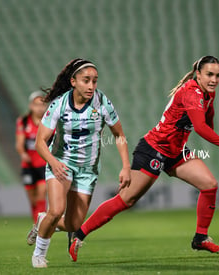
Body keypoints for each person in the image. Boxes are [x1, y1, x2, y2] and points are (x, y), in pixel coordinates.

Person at [68, 56, 219, 261]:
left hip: (176, 150)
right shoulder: (192, 92)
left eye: (218, 76)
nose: (214, 79)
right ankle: (79, 235)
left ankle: (200, 238)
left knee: (209, 185)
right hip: (154, 149)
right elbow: (200, 127)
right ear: (198, 74)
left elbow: (207, 120)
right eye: (209, 74)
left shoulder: (206, 93)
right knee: (127, 200)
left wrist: (210, 119)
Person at [30, 58, 131, 268]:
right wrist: (53, 162)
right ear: (73, 81)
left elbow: (119, 135)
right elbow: (40, 142)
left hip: (88, 170)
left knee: (74, 224)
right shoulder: (59, 105)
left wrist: (126, 166)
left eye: (95, 81)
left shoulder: (102, 102)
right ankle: (39, 254)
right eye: (86, 80)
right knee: (57, 210)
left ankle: (43, 220)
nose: (91, 86)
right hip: (61, 163)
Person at [16, 91, 49, 226]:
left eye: (42, 104)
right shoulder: (23, 122)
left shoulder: (49, 122)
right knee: (33, 199)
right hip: (28, 166)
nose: (40, 108)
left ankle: (40, 226)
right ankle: (37, 222)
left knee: (41, 194)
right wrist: (23, 153)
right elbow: (19, 143)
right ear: (31, 106)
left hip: (43, 164)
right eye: (36, 105)